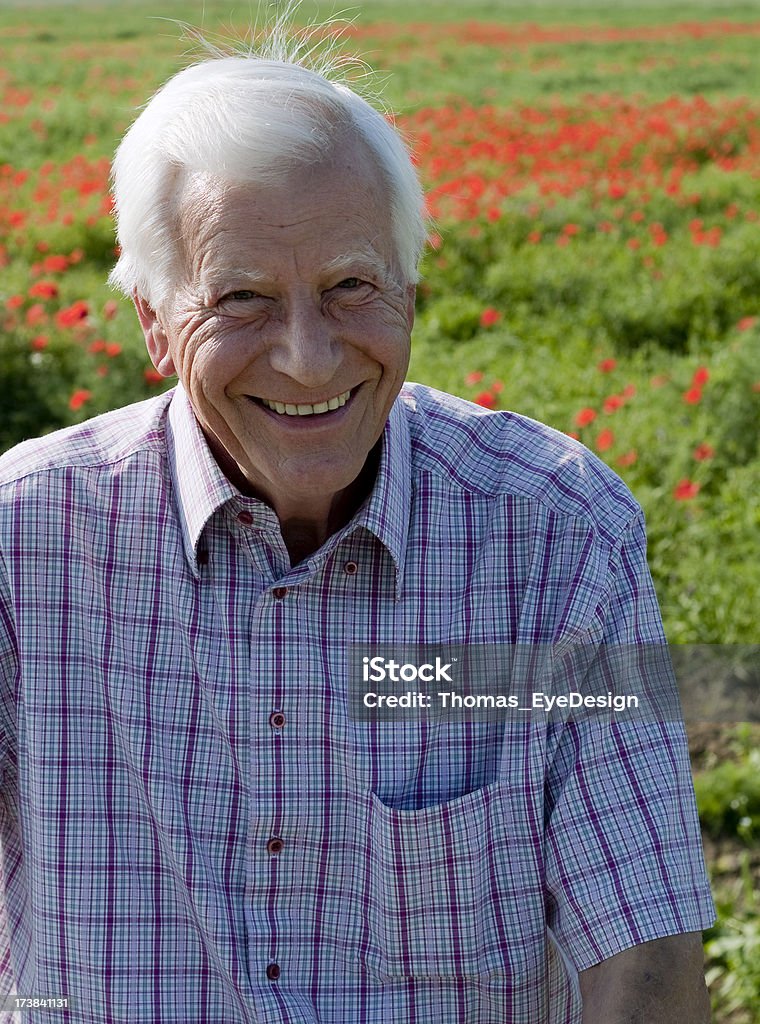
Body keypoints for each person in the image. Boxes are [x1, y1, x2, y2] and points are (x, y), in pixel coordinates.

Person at [0, 22, 715, 1024]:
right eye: (241, 298)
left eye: (349, 287)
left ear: (411, 290)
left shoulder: (557, 534)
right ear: (155, 326)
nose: (306, 356)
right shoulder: (22, 540)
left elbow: (644, 949)